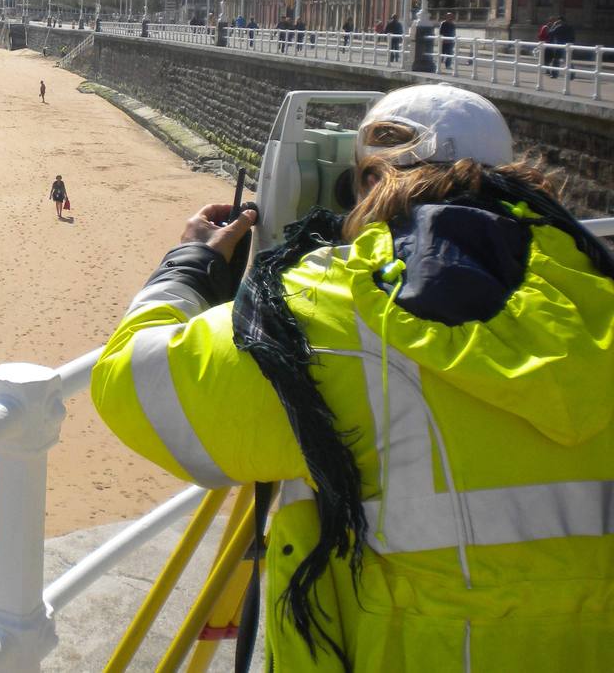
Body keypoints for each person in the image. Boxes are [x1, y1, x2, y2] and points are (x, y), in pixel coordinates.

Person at [91, 84, 614, 672]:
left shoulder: (335, 308)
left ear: (370, 183)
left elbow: (132, 385)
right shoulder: (593, 285)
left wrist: (189, 267)